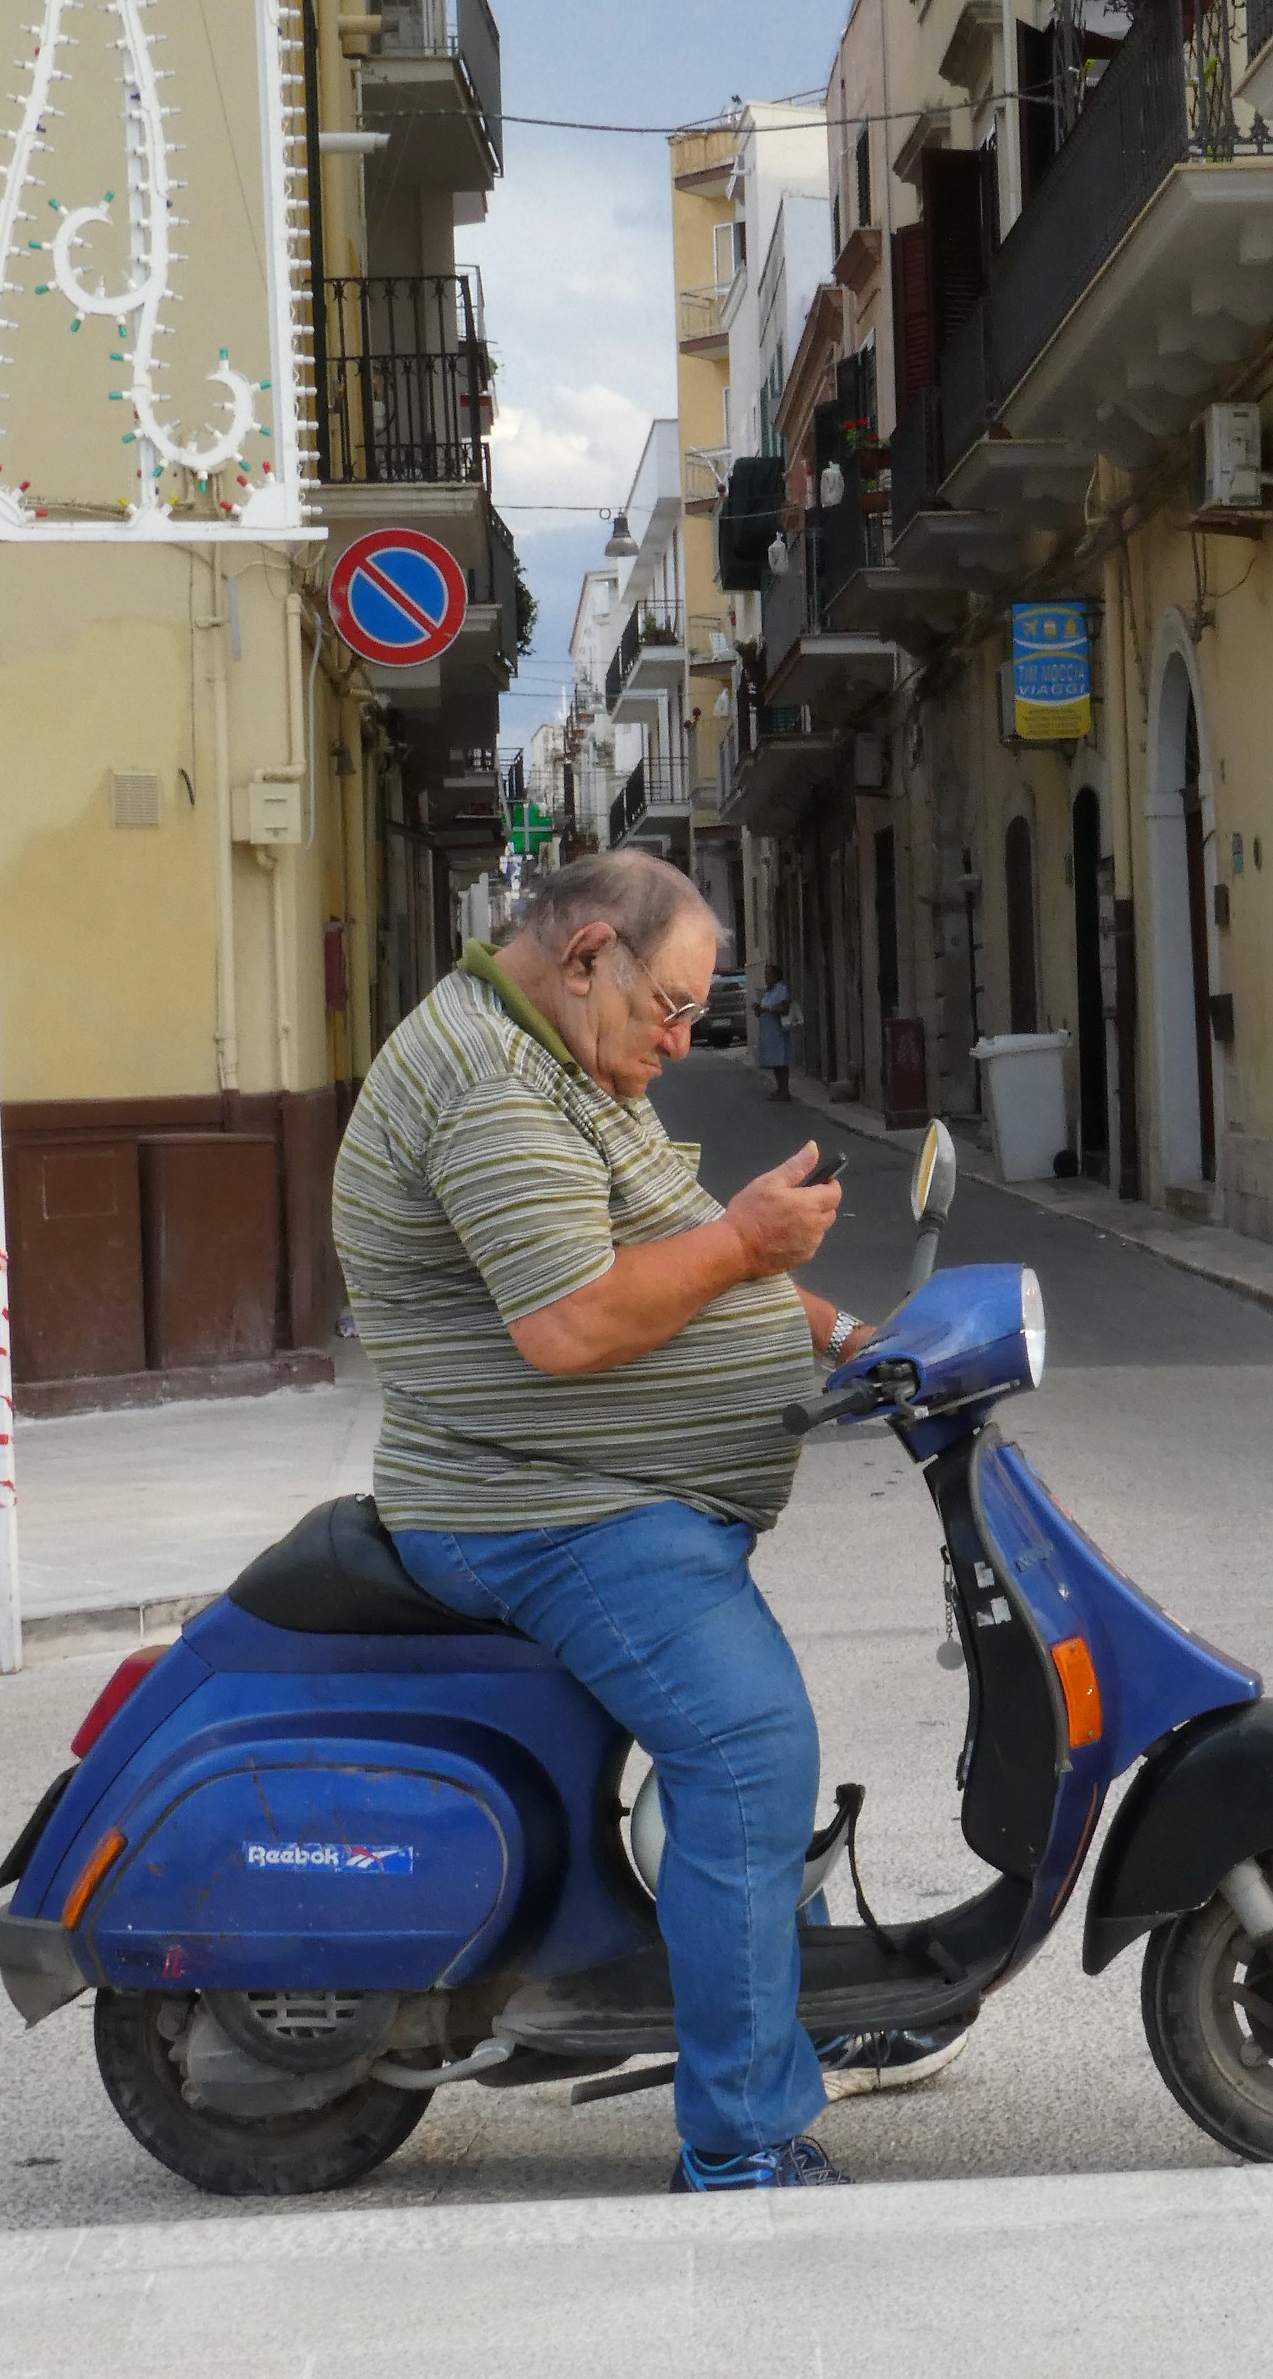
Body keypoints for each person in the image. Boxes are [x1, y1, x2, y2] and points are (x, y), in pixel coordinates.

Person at [332, 852, 968, 2194]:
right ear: (585, 961)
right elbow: (572, 1323)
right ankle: (738, 2140)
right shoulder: (495, 1090)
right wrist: (743, 1245)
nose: (677, 1047)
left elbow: (679, 1258)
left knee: (744, 1726)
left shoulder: (570, 1067)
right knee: (744, 1746)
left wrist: (860, 1339)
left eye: (693, 1015)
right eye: (669, 1009)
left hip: (598, 1497)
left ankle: (778, 2000)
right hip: (537, 1507)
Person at [755, 962, 792, 1101]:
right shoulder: (767, 992)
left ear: (776, 975)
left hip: (778, 1031)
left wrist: (768, 1010)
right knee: (775, 1062)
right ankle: (779, 1089)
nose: (767, 977)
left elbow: (784, 1008)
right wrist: (758, 1009)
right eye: (765, 975)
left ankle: (785, 1090)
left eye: (769, 974)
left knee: (781, 1061)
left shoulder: (781, 989)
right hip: (768, 1032)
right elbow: (763, 1009)